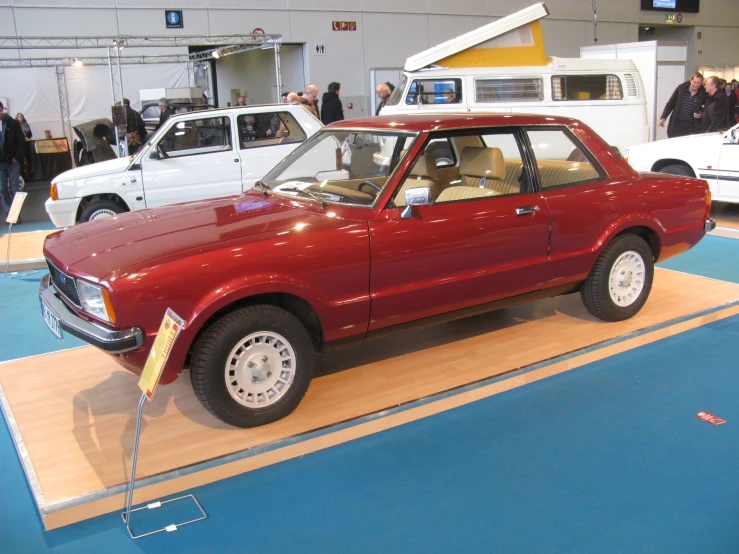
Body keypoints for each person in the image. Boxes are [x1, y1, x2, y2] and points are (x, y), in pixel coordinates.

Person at [658, 72, 707, 138]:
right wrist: (663, 118)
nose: (696, 85)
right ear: (690, 80)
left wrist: (701, 114)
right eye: (694, 82)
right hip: (677, 124)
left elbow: (704, 108)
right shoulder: (680, 90)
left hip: (692, 126)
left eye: (699, 83)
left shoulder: (703, 93)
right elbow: (670, 104)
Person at [0, 101, 25, 219]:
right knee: (2, 188)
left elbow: (21, 142)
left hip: (13, 162)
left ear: (2, 110)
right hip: (1, 164)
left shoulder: (13, 123)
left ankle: (16, 213)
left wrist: (17, 157)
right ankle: (9, 210)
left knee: (15, 189)